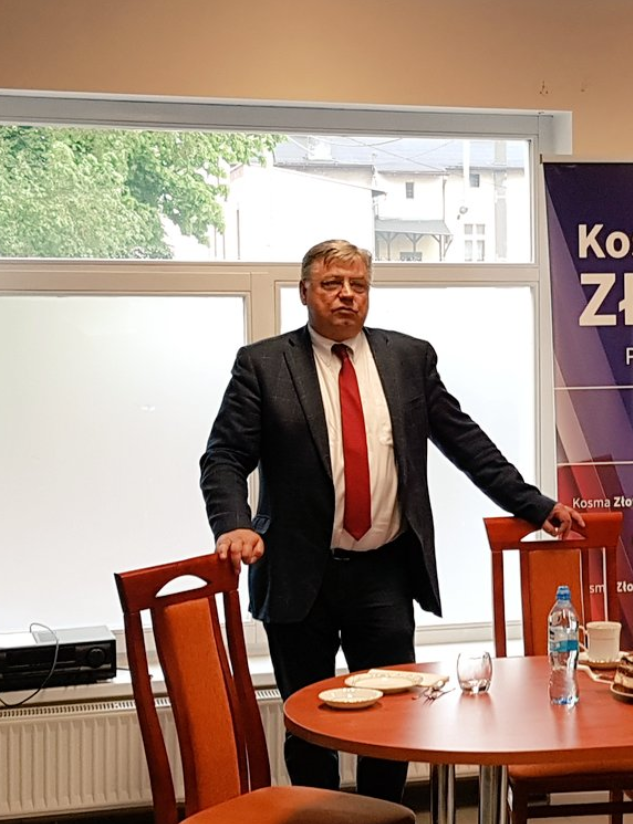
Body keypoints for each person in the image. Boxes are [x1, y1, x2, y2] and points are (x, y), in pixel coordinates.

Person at [200, 239, 583, 802]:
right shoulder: (263, 365)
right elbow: (224, 457)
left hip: (382, 575)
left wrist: (534, 505)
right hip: (298, 574)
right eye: (331, 284)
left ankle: (384, 817)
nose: (346, 295)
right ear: (304, 292)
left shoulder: (408, 359)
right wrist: (234, 523)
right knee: (309, 727)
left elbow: (466, 442)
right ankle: (320, 818)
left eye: (358, 285)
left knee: (393, 723)